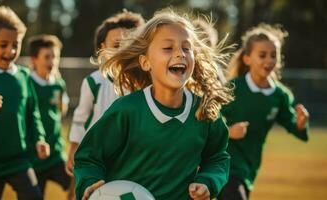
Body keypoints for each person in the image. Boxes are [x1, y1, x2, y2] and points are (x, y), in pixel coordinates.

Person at [74, 9, 233, 200]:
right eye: (168, 48)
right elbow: (89, 157)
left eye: (186, 48)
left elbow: (217, 157)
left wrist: (208, 181)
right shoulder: (127, 110)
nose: (180, 54)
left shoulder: (204, 112)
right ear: (145, 62)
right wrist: (90, 183)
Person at [218, 23, 309, 200]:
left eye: (273, 55)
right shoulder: (233, 88)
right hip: (223, 164)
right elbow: (206, 122)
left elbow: (295, 127)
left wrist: (300, 123)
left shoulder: (280, 96)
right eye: (262, 55)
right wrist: (228, 131)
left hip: (249, 168)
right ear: (247, 59)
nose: (269, 60)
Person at [0, 4, 49, 200]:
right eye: (3, 45)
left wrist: (39, 138)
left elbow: (33, 113)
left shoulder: (23, 76)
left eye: (16, 44)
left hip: (19, 161)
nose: (11, 51)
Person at [66, 10, 144, 175]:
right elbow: (81, 118)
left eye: (127, 44)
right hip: (98, 157)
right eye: (116, 45)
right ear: (103, 47)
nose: (122, 50)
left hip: (132, 158)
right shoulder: (93, 82)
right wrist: (74, 148)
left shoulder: (143, 82)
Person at [27, 34, 73, 199]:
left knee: (76, 182)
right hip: (32, 157)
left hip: (55, 153)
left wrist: (62, 100)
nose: (52, 61)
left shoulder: (58, 83)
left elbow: (62, 109)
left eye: (55, 57)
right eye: (47, 57)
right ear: (34, 59)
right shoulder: (27, 83)